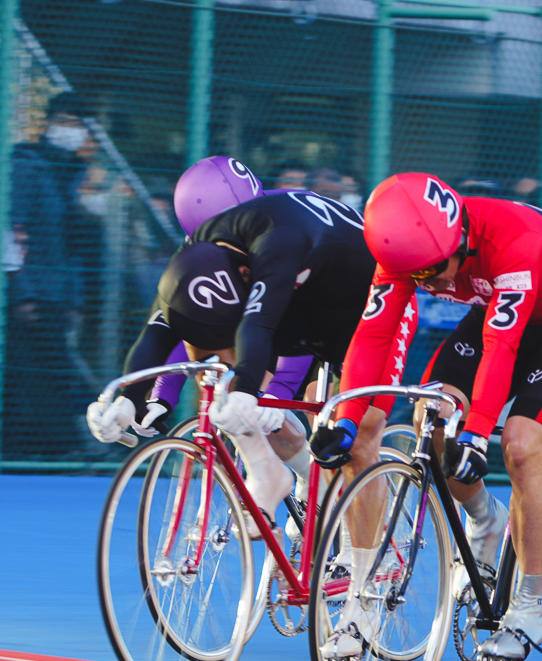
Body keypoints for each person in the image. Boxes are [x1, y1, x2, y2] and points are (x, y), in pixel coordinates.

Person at [316, 173, 542, 661]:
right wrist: (346, 418)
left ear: (461, 240)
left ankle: (528, 605)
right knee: (431, 417)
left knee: (520, 445)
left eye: (434, 272)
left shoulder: (514, 239)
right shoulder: (406, 248)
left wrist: (477, 433)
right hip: (499, 309)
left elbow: (502, 346)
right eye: (416, 278)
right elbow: (372, 337)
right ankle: (485, 519)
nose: (429, 285)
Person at [88, 156, 386, 524]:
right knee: (225, 359)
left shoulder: (278, 235)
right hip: (284, 305)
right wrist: (142, 395)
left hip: (352, 304)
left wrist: (270, 397)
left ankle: (363, 551)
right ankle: (285, 473)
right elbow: (170, 319)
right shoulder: (213, 238)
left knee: (345, 429)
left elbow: (266, 324)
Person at [6, 91, 97, 458]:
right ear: (50, 122)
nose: (73, 132)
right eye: (68, 123)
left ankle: (43, 449)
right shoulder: (26, 166)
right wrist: (21, 293)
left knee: (47, 373)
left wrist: (73, 299)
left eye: (79, 125)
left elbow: (70, 242)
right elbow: (11, 231)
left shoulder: (70, 174)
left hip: (55, 295)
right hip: (31, 293)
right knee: (34, 374)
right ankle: (54, 450)